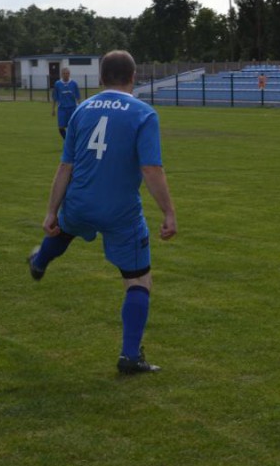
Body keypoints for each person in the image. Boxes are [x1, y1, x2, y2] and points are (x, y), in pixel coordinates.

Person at [27, 50, 178, 374]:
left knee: (63, 228)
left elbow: (65, 165)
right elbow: (151, 169)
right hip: (120, 211)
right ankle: (129, 356)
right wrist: (168, 213)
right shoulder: (144, 113)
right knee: (138, 279)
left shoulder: (82, 111)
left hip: (79, 202)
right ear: (134, 77)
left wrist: (50, 211)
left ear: (99, 78)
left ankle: (39, 260)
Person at [52, 67, 82, 139]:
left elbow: (78, 97)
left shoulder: (74, 83)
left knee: (72, 127)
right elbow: (55, 97)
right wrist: (53, 109)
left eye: (67, 73)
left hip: (72, 108)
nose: (66, 75)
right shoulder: (57, 84)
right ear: (61, 74)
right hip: (62, 109)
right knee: (61, 127)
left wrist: (80, 109)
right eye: (64, 73)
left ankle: (71, 142)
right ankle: (67, 141)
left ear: (69, 74)